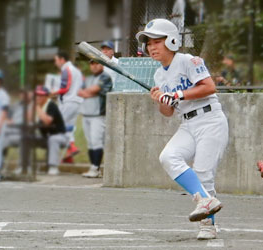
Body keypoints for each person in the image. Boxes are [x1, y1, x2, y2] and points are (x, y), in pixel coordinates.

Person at [136, 19, 229, 240]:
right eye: (148, 43)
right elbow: (168, 112)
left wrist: (177, 94)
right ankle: (204, 201)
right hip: (187, 122)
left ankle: (208, 225)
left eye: (157, 41)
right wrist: (161, 99)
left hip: (210, 119)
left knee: (204, 174)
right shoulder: (159, 75)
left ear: (171, 41)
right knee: (169, 156)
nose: (151, 47)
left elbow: (209, 87)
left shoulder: (188, 60)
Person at [78, 60, 113, 178]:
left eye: (97, 63)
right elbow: (79, 92)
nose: (94, 66)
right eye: (92, 63)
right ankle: (93, 168)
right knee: (90, 143)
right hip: (86, 114)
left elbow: (95, 89)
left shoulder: (105, 77)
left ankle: (95, 168)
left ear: (102, 65)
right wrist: (90, 92)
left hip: (98, 115)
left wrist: (89, 92)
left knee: (96, 141)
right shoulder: (88, 78)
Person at [51, 51, 83, 161]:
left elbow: (65, 87)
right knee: (68, 127)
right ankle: (69, 155)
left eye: (56, 60)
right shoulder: (77, 71)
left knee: (59, 125)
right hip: (78, 101)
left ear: (62, 59)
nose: (55, 63)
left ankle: (71, 147)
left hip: (68, 101)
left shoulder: (66, 69)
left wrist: (52, 93)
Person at [35, 86, 68, 175]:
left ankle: (53, 167)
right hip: (44, 136)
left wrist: (37, 107)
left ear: (46, 97)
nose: (38, 97)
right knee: (25, 138)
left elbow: (48, 121)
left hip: (59, 136)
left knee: (53, 139)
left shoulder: (51, 105)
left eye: (41, 95)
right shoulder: (33, 107)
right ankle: (25, 166)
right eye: (37, 95)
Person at [2, 89, 33, 172]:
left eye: (26, 93)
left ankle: (23, 166)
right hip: (11, 131)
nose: (23, 95)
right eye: (21, 93)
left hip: (25, 132)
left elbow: (30, 119)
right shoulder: (15, 105)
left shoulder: (33, 105)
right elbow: (5, 117)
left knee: (24, 139)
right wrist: (8, 120)